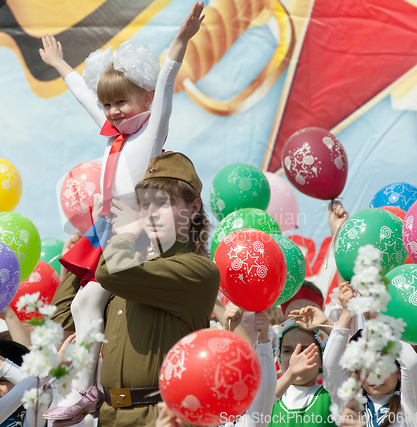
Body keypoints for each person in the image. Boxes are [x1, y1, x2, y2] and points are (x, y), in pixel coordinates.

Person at [40, 4, 206, 421]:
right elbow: (85, 98)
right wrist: (61, 66)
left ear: (145, 98)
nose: (113, 111)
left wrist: (180, 42)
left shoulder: (151, 134)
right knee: (84, 304)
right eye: (108, 104)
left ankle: (85, 387)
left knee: (94, 297)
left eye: (122, 102)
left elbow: (167, 84)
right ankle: (87, 386)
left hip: (138, 231)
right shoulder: (115, 135)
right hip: (113, 229)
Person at [93, 151, 220, 426]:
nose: (150, 213)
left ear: (194, 208)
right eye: (144, 205)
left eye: (163, 203)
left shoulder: (200, 271)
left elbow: (109, 270)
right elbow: (64, 314)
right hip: (109, 414)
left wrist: (128, 230)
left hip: (162, 415)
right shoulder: (137, 263)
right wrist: (90, 235)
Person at [323, 282, 417, 427]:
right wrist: (347, 312)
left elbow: (411, 363)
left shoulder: (410, 409)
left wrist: (376, 320)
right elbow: (330, 365)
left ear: (398, 372)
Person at [155, 311, 277, 427]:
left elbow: (267, 387)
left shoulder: (248, 422)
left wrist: (263, 341)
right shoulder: (190, 420)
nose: (219, 384)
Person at [268, 319, 333, 426]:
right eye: (287, 351)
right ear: (279, 357)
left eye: (304, 351)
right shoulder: (268, 399)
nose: (295, 357)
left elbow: (353, 352)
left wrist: (326, 324)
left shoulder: (332, 398)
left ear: (322, 358)